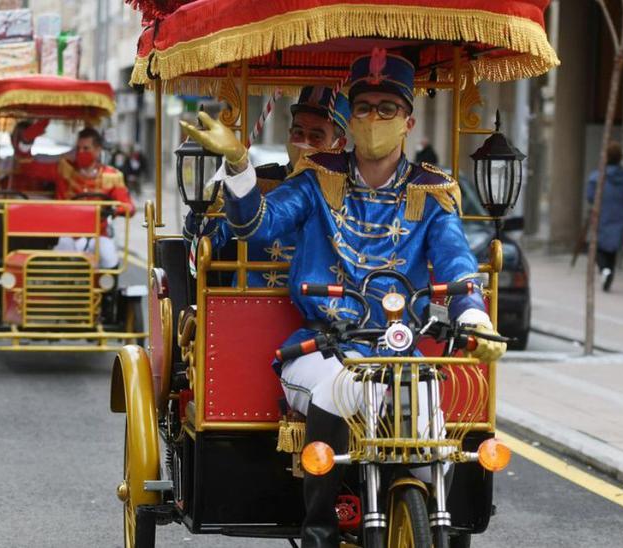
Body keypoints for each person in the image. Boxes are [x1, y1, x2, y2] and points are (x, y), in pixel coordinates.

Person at [181, 49, 505, 548]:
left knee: (434, 421)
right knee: (336, 386)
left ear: (408, 121)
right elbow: (256, 224)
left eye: (386, 109)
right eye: (364, 108)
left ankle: (443, 525)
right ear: (350, 119)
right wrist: (240, 166)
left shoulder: (433, 192)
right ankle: (318, 535)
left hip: (399, 349)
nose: (373, 119)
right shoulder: (317, 179)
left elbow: (458, 262)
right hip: (322, 346)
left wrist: (475, 317)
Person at [183, 85, 350, 288]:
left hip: (323, 302)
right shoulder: (255, 182)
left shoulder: (350, 191)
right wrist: (206, 208)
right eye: (298, 133)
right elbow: (201, 243)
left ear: (339, 144)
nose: (304, 143)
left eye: (316, 137)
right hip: (252, 298)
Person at [15, 125, 136, 269]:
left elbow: (128, 205)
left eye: (86, 149)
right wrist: (27, 139)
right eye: (78, 148)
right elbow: (28, 167)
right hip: (66, 234)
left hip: (97, 234)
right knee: (55, 265)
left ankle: (107, 291)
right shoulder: (64, 169)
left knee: (109, 257)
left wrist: (116, 210)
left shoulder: (112, 176)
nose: (81, 152)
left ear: (97, 150)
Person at [584, 141, 623, 292]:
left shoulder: (597, 176)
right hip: (619, 218)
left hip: (601, 217)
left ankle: (604, 270)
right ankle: (609, 274)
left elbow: (590, 196)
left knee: (598, 248)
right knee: (612, 251)